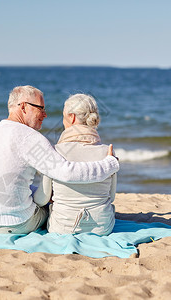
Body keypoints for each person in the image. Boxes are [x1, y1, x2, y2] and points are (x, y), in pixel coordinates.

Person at [0, 86, 119, 234]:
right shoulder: (30, 138)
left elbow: (3, 180)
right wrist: (109, 164)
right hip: (14, 223)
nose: (45, 115)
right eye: (41, 108)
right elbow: (67, 173)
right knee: (50, 209)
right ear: (24, 107)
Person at [34, 94, 117, 235]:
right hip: (103, 228)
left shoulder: (55, 152)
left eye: (63, 116)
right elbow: (111, 196)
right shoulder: (107, 152)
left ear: (71, 117)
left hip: (62, 228)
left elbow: (42, 199)